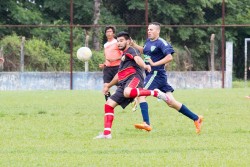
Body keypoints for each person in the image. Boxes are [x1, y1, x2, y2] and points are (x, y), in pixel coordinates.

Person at [131, 22, 204, 134]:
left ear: (158, 31)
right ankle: (196, 118)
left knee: (141, 94)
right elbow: (144, 50)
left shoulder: (162, 43)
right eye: (148, 29)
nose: (148, 31)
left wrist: (154, 64)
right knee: (172, 103)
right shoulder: (148, 42)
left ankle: (146, 123)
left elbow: (169, 57)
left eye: (151, 29)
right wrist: (134, 44)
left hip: (156, 74)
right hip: (158, 76)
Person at [94, 31, 164, 139]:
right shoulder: (123, 56)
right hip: (124, 83)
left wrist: (145, 66)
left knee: (127, 92)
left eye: (121, 41)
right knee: (108, 104)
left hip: (134, 78)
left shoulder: (132, 50)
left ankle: (155, 92)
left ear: (128, 41)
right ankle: (107, 134)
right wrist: (108, 86)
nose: (119, 43)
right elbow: (119, 75)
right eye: (117, 41)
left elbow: (137, 59)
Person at [99, 25, 122, 101]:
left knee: (120, 87)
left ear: (113, 33)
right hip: (107, 68)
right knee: (106, 86)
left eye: (110, 31)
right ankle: (109, 103)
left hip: (117, 67)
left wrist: (114, 59)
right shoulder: (105, 45)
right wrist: (104, 64)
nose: (108, 33)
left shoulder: (117, 42)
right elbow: (107, 57)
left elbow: (123, 55)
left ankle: (131, 100)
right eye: (107, 32)